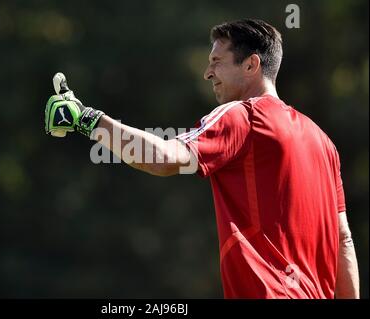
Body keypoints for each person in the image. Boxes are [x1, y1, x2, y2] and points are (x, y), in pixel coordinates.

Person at [44, 19, 359, 299]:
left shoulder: (243, 116)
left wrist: (88, 119)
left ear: (251, 66)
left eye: (217, 62)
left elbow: (163, 158)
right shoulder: (323, 142)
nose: (208, 73)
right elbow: (343, 239)